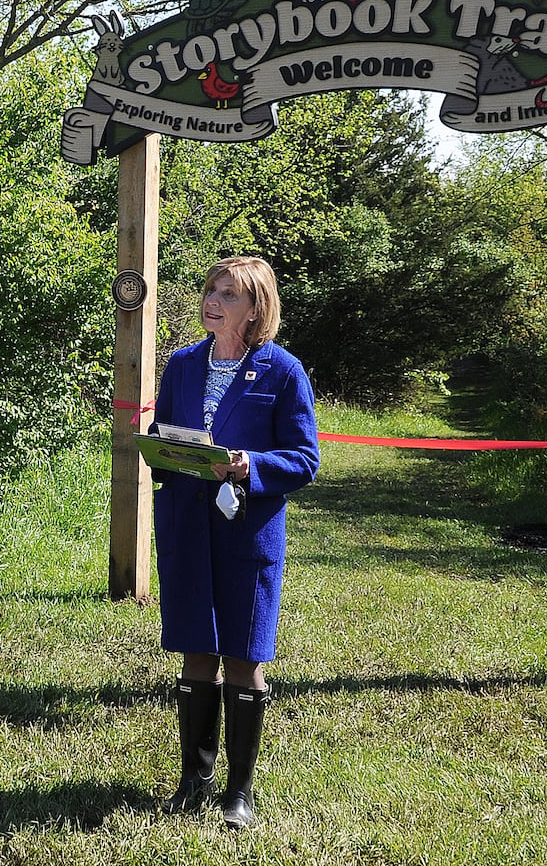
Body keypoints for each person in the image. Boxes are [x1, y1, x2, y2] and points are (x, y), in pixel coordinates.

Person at [150, 255, 319, 829]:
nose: (214, 301)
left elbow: (304, 460)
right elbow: (164, 434)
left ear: (257, 310)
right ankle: (192, 778)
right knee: (197, 650)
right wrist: (163, 447)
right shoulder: (180, 364)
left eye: (230, 294)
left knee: (245, 659)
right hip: (188, 527)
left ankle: (238, 791)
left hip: (247, 531)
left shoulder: (284, 371)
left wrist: (250, 465)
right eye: (211, 290)